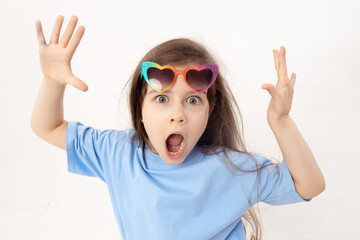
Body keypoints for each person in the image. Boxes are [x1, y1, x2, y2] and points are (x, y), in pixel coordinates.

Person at [31, 15, 326, 240]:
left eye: (193, 101)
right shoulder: (119, 153)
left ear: (210, 111)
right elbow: (48, 126)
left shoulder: (230, 168)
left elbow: (310, 185)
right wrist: (52, 80)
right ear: (140, 109)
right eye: (161, 98)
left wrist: (281, 120)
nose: (178, 115)